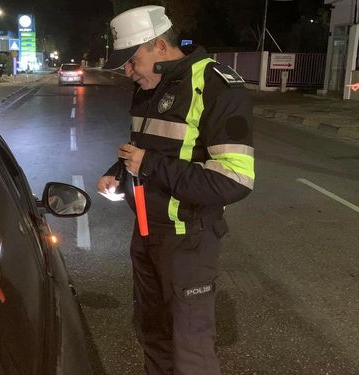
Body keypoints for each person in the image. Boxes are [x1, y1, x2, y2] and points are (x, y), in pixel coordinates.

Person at [97, 5, 255, 375]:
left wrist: (148, 164)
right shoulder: (148, 86)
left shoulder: (215, 85)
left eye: (133, 61)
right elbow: (148, 147)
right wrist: (118, 172)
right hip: (146, 233)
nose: (128, 71)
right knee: (152, 333)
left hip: (189, 241)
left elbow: (235, 179)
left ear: (159, 46)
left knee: (190, 351)